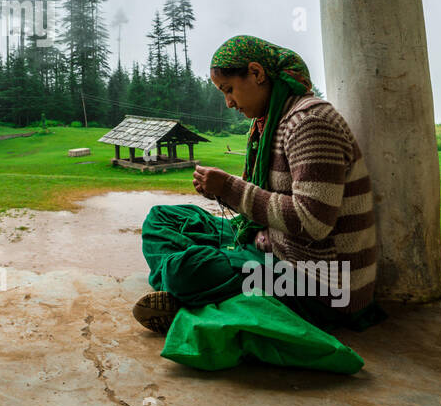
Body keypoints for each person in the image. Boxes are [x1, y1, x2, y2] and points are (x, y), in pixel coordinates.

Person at [133, 35, 382, 334]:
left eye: (229, 90)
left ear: (256, 73)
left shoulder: (311, 123)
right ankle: (190, 294)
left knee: (181, 271)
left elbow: (313, 221)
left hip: (318, 284)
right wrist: (223, 190)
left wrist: (229, 188)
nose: (228, 102)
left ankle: (182, 291)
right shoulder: (271, 122)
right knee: (162, 218)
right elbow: (265, 197)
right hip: (269, 244)